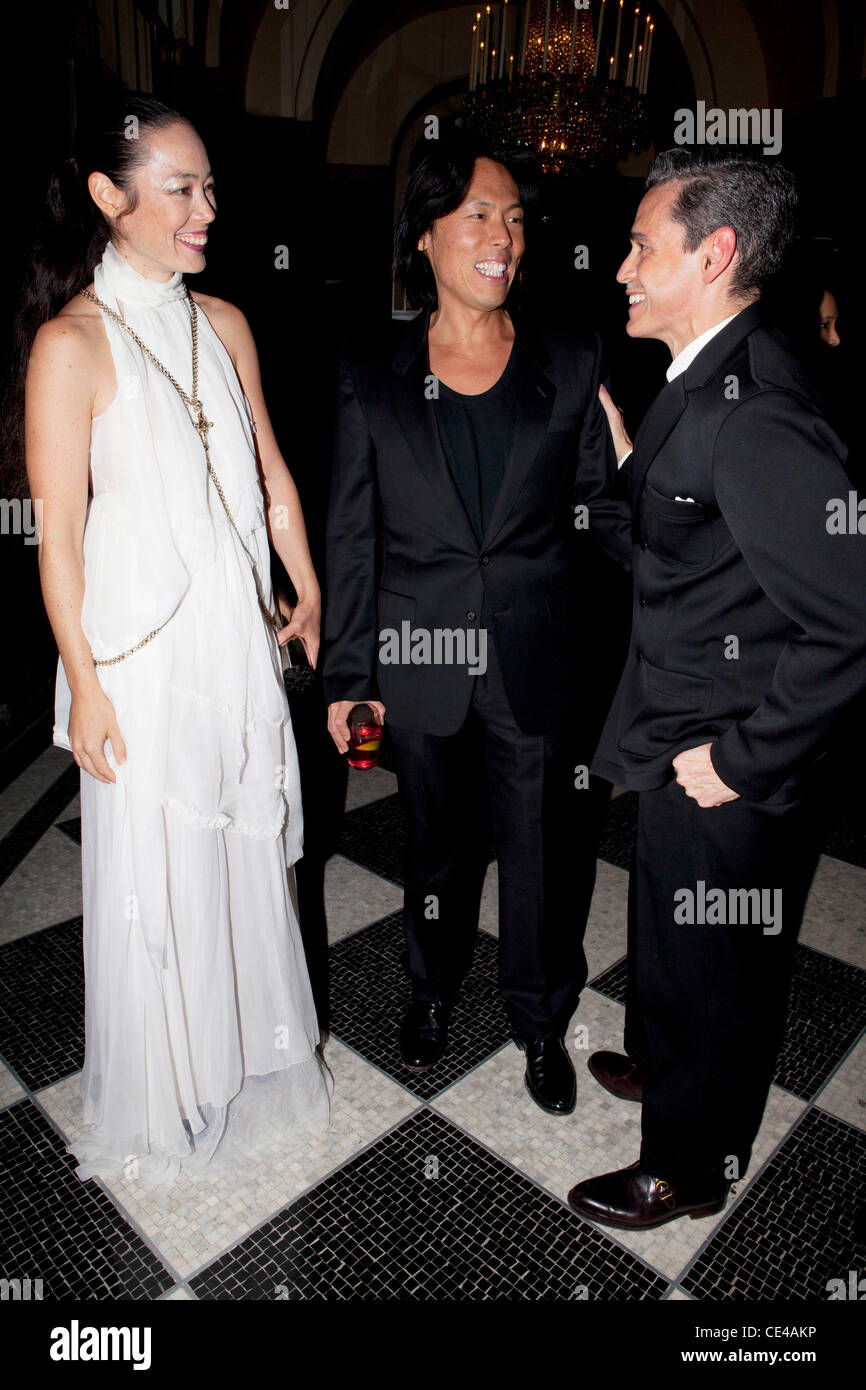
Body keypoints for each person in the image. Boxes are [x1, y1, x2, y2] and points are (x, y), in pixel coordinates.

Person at [23, 96, 331, 1183]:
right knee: (161, 873)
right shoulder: (71, 345)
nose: (208, 208)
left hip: (231, 646)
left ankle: (239, 1050)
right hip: (144, 665)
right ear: (112, 199)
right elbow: (57, 539)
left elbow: (270, 472)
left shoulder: (227, 322)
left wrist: (301, 578)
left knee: (241, 844)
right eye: (182, 189)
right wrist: (85, 685)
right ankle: (170, 1080)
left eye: (208, 186)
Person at [566, 149, 866, 1229]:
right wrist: (629, 475)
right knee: (671, 942)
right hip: (679, 720)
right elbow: (698, 549)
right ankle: (667, 1067)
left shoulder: (753, 413)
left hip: (729, 753)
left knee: (712, 965)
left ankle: (685, 1167)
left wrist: (740, 757)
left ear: (716, 252)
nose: (620, 268)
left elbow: (849, 620)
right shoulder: (710, 373)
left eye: (643, 245)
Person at [322, 133, 629, 1114]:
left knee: (541, 855)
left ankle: (541, 1026)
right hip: (413, 669)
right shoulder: (371, 377)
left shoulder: (570, 361)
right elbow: (351, 540)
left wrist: (679, 519)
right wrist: (346, 682)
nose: (500, 237)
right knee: (435, 849)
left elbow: (609, 516)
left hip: (536, 666)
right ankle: (429, 989)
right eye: (476, 216)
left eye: (513, 218)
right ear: (423, 236)